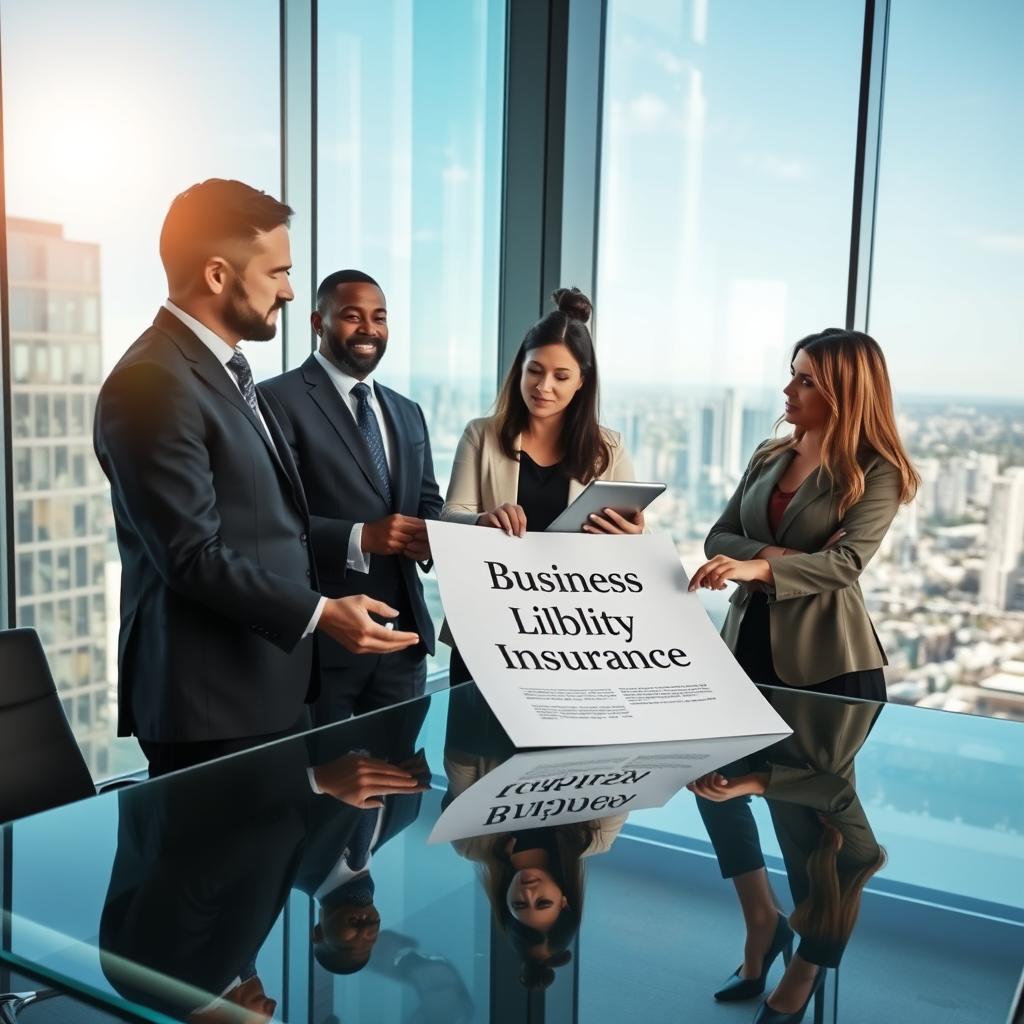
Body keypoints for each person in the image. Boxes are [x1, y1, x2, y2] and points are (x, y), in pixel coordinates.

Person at [93, 179, 418, 776]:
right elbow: (191, 554)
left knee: (266, 861)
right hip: (208, 709)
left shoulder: (227, 374)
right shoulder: (153, 382)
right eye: (277, 273)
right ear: (218, 275)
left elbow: (270, 525)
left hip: (262, 690)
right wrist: (322, 613)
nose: (291, 291)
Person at [688, 328, 919, 701]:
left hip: (827, 659)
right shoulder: (768, 454)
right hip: (743, 643)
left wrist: (756, 567)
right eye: (792, 374)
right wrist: (790, 558)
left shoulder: (877, 470)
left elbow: (844, 563)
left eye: (806, 381)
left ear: (844, 393)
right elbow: (718, 537)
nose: (788, 389)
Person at [260, 270, 442, 722]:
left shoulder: (407, 411)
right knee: (328, 786)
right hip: (324, 648)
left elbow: (427, 503)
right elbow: (272, 524)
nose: (369, 329)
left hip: (404, 646)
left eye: (379, 317)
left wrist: (432, 537)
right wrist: (361, 537)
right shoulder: (274, 401)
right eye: (351, 316)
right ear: (318, 323)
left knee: (404, 784)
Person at [441, 286, 642, 681]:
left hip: (571, 636)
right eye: (534, 370)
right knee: (473, 742)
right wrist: (483, 520)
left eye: (560, 376)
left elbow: (635, 539)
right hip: (488, 627)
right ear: (520, 368)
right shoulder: (481, 435)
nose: (543, 386)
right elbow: (449, 516)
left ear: (581, 381)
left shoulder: (610, 448)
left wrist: (633, 534)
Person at [687, 689, 886, 1024]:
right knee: (734, 782)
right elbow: (836, 793)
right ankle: (788, 949)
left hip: (777, 690)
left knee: (716, 779)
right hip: (813, 697)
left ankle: (775, 934)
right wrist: (751, 783)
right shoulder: (858, 855)